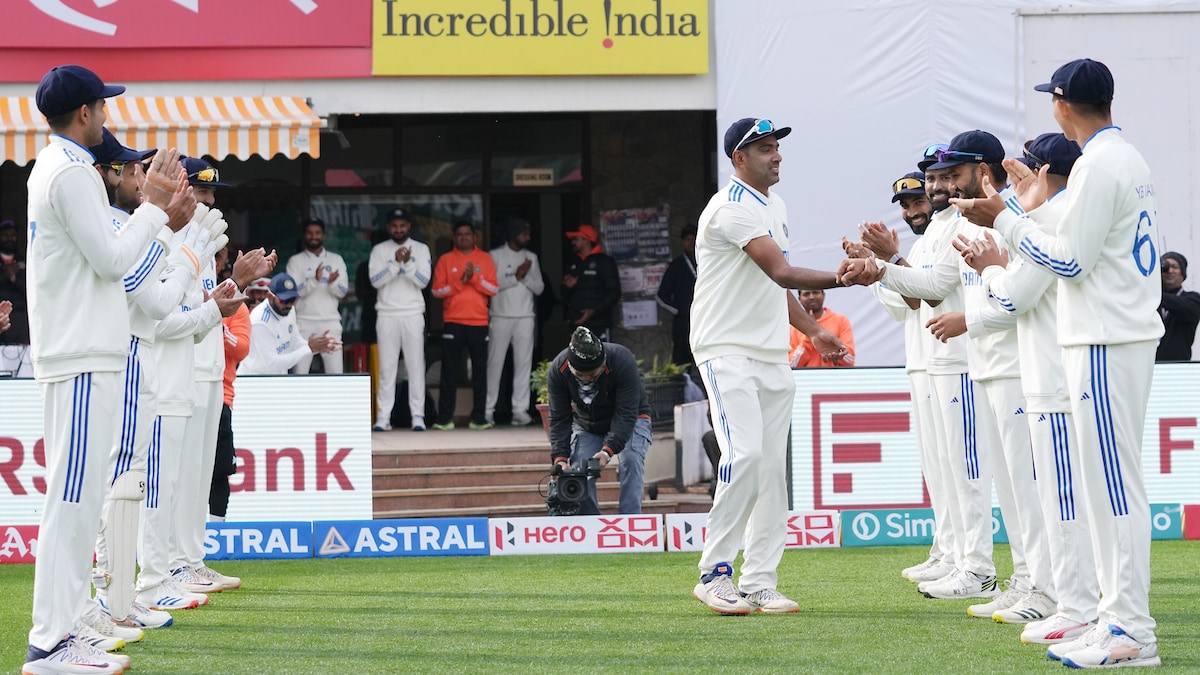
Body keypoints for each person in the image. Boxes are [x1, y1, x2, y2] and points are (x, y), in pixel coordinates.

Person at [955, 58, 1162, 668]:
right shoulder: (1122, 158)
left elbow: (1070, 261)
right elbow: (1076, 237)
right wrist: (1023, 207)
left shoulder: (1100, 162)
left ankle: (1131, 629)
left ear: (1063, 105)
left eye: (1053, 100)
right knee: (1104, 488)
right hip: (1110, 333)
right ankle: (1113, 617)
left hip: (1103, 336)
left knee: (1113, 489)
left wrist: (1009, 219)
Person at [24, 64, 193, 675]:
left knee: (79, 500)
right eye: (103, 107)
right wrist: (153, 210)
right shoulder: (70, 172)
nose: (109, 117)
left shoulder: (64, 168)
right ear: (86, 112)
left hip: (86, 353)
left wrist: (152, 216)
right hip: (80, 355)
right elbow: (115, 261)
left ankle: (64, 632)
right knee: (71, 505)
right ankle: (49, 643)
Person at [691, 117, 862, 616]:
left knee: (770, 471)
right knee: (743, 457)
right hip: (725, 347)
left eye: (777, 147)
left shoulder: (775, 205)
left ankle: (760, 580)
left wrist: (813, 331)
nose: (777, 155)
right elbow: (782, 270)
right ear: (738, 159)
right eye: (765, 148)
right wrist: (845, 277)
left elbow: (775, 286)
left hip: (768, 351)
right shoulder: (730, 209)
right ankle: (714, 573)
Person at [955, 131, 1100, 645]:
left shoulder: (1047, 224)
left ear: (1042, 176)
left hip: (1050, 380)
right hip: (1045, 377)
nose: (1014, 182)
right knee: (1049, 495)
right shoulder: (1040, 224)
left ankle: (1067, 601)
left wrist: (991, 270)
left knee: (1059, 497)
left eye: (1023, 173)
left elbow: (1015, 298)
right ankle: (1062, 597)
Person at [88, 128, 222, 635]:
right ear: (112, 175)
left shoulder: (128, 222)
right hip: (125, 359)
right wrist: (181, 237)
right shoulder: (119, 223)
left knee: (130, 484)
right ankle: (114, 598)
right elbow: (157, 305)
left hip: (139, 361)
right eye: (134, 169)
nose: (142, 176)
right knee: (118, 487)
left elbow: (160, 303)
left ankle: (121, 596)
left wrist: (187, 242)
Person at [849, 170, 955, 585]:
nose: (913, 212)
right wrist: (873, 270)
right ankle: (946, 550)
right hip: (923, 361)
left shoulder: (944, 237)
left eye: (918, 203)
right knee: (937, 467)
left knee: (955, 468)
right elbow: (903, 307)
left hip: (950, 362)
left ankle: (964, 559)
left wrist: (883, 263)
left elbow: (921, 295)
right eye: (907, 207)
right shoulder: (925, 243)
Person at [548, 326, 652, 514]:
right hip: (588, 423)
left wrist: (606, 451)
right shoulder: (558, 369)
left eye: (593, 374)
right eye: (580, 375)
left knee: (630, 459)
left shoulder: (621, 360)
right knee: (579, 467)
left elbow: (626, 413)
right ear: (571, 367)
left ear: (603, 363)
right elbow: (559, 418)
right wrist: (560, 458)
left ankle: (630, 522)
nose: (587, 378)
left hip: (632, 417)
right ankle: (591, 526)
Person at [431, 222, 499, 430]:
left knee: (479, 372)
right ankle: (445, 418)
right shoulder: (446, 260)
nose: (463, 238)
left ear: (474, 236)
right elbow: (436, 291)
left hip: (478, 322)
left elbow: (493, 288)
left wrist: (474, 278)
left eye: (467, 234)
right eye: (459, 235)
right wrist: (461, 281)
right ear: (454, 237)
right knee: (449, 372)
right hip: (453, 322)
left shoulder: (485, 259)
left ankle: (479, 418)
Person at [369, 208, 432, 432]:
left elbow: (423, 281)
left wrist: (407, 263)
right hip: (387, 313)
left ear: (409, 226)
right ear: (389, 227)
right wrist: (395, 263)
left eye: (402, 225)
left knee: (416, 366)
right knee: (387, 368)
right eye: (394, 226)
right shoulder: (379, 250)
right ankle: (383, 418)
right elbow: (375, 281)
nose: (398, 230)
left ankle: (418, 416)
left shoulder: (422, 249)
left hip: (413, 313)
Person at [485, 217, 544, 427]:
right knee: (494, 365)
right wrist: (515, 277)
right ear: (513, 235)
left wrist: (526, 276)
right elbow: (490, 286)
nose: (528, 238)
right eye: (524, 234)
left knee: (523, 365)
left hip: (525, 317)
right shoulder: (494, 256)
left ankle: (520, 411)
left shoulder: (531, 257)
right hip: (500, 316)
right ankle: (487, 411)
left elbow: (539, 288)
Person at [212, 251, 251, 524]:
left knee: (220, 468)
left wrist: (213, 323)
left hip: (220, 397)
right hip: (181, 393)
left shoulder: (237, 304)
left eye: (216, 258)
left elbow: (242, 348)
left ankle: (217, 532)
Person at [239, 273, 341, 375]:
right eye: (284, 300)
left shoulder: (289, 309)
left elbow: (294, 339)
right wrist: (309, 348)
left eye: (293, 299)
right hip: (254, 380)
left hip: (278, 378)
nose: (288, 304)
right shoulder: (260, 322)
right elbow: (272, 364)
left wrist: (318, 346)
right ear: (270, 296)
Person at [286, 217, 349, 374]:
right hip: (303, 323)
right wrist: (315, 280)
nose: (313, 237)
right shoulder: (295, 261)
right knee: (300, 373)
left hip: (330, 322)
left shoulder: (336, 260)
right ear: (304, 235)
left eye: (317, 233)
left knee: (335, 374)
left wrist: (332, 282)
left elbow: (343, 292)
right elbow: (293, 293)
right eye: (310, 233)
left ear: (324, 235)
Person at [562, 225, 620, 340]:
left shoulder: (605, 262)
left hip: (599, 325)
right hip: (576, 326)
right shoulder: (573, 262)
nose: (573, 242)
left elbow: (614, 293)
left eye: (576, 239)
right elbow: (563, 293)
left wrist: (593, 312)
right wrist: (568, 287)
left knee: (601, 357)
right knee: (578, 358)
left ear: (586, 240)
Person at [656, 225, 698, 366]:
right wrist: (680, 310)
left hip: (707, 319)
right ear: (682, 241)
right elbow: (661, 295)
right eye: (687, 239)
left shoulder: (707, 262)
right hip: (683, 323)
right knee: (681, 363)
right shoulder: (676, 266)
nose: (691, 242)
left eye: (694, 239)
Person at [788, 289, 855, 367]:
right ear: (799, 299)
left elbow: (850, 359)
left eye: (815, 292)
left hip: (835, 377)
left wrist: (836, 350)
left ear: (823, 295)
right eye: (806, 294)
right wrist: (810, 333)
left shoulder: (841, 321)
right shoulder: (793, 326)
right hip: (805, 378)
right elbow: (791, 364)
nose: (811, 297)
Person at [1156, 252, 1200, 362]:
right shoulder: (1150, 301)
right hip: (1150, 365)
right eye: (1165, 267)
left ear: (1183, 274)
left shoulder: (1193, 299)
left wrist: (1153, 293)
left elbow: (1183, 307)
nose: (1170, 271)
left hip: (1179, 366)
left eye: (1175, 267)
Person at [0, 219, 29, 346]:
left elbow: (31, 288)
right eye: (6, 235)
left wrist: (14, 279)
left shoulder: (25, 260)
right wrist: (5, 276)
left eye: (12, 235)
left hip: (21, 319)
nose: (9, 238)